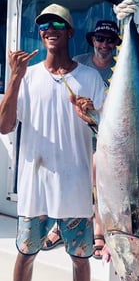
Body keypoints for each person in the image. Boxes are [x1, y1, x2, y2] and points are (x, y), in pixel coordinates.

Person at [0, 3, 105, 281]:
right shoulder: (27, 77)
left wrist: (90, 116)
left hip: (76, 185)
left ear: (70, 32)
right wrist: (15, 78)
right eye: (45, 26)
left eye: (58, 25)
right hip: (35, 185)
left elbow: (106, 130)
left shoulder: (91, 79)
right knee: (25, 253)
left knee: (80, 259)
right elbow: (5, 126)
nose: (50, 30)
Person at [43, 20, 122, 257]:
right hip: (75, 134)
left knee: (98, 178)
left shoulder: (120, 69)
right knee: (65, 176)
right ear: (92, 40)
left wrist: (94, 108)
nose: (104, 44)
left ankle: (98, 230)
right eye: (100, 39)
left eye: (110, 40)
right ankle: (59, 226)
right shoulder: (77, 61)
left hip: (104, 136)